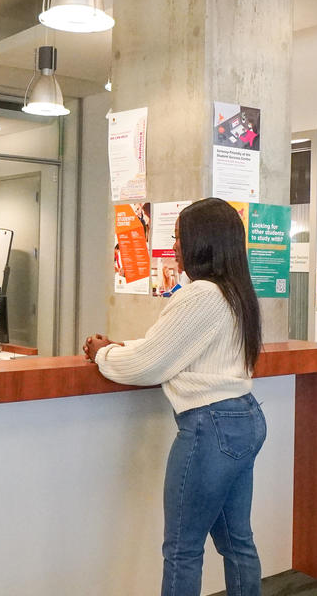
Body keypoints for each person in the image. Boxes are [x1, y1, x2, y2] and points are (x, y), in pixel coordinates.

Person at [83, 198, 266, 596]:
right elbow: (176, 345)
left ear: (203, 242)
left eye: (180, 237)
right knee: (238, 542)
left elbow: (148, 365)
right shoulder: (236, 291)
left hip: (211, 428)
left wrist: (103, 354)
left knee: (182, 549)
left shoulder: (201, 293)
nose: (174, 247)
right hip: (244, 419)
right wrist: (123, 345)